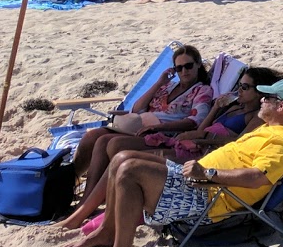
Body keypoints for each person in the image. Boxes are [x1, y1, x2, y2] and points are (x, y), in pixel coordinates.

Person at [70, 77, 283, 247]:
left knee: (130, 169)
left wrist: (207, 173)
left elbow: (258, 177)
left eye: (267, 98)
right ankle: (107, 230)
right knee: (121, 157)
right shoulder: (267, 129)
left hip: (212, 197)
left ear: (281, 106)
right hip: (198, 180)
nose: (261, 99)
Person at [56, 66, 283, 233]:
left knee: (123, 157)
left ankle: (86, 212)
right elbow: (201, 129)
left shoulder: (255, 117)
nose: (239, 91)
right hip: (190, 145)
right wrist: (215, 108)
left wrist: (202, 142)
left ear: (260, 92)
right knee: (114, 151)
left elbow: (238, 145)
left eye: (245, 87)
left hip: (200, 156)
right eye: (239, 85)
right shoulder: (234, 107)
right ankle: (86, 207)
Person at [71, 44, 214, 197]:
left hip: (161, 133)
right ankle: (70, 185)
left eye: (188, 66)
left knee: (106, 142)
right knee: (91, 136)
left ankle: (91, 197)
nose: (184, 71)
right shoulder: (168, 86)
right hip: (137, 125)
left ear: (198, 64)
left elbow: (195, 121)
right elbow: (137, 108)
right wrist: (159, 83)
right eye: (179, 68)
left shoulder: (202, 91)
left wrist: (159, 128)